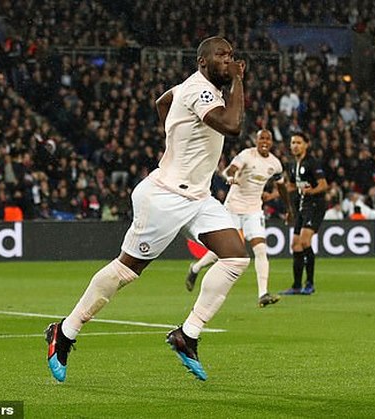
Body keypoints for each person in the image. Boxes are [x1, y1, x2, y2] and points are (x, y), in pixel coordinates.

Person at [45, 36, 248, 383]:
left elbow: (162, 101)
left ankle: (188, 334)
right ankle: (64, 331)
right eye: (221, 56)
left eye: (231, 55)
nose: (228, 61)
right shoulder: (200, 90)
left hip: (198, 198)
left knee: (235, 257)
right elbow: (232, 126)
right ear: (202, 62)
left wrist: (173, 135)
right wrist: (239, 80)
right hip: (166, 196)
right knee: (127, 271)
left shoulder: (190, 88)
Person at [185, 129, 293, 308]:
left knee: (260, 250)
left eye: (268, 139)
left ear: (272, 142)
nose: (264, 142)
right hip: (233, 207)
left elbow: (281, 186)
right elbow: (231, 169)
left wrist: (288, 208)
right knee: (225, 250)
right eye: (261, 139)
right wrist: (230, 177)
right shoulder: (246, 156)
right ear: (256, 141)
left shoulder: (275, 163)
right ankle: (195, 268)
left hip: (254, 210)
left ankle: (263, 293)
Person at [280, 133, 328, 295]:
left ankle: (310, 283)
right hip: (302, 206)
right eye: (293, 142)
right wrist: (274, 195)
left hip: (315, 205)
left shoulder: (312, 163)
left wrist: (311, 191)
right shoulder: (293, 164)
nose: (295, 145)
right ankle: (296, 286)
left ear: (306, 145)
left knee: (305, 242)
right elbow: (292, 186)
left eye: (299, 143)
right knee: (295, 245)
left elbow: (323, 185)